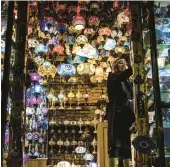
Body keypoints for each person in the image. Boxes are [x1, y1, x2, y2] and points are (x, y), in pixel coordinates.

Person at [106, 57, 135, 167]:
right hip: (117, 114)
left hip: (126, 114)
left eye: (124, 63)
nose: (124, 65)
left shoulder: (126, 81)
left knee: (126, 144)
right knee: (116, 144)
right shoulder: (113, 77)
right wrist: (133, 67)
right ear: (115, 66)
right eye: (121, 63)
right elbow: (123, 75)